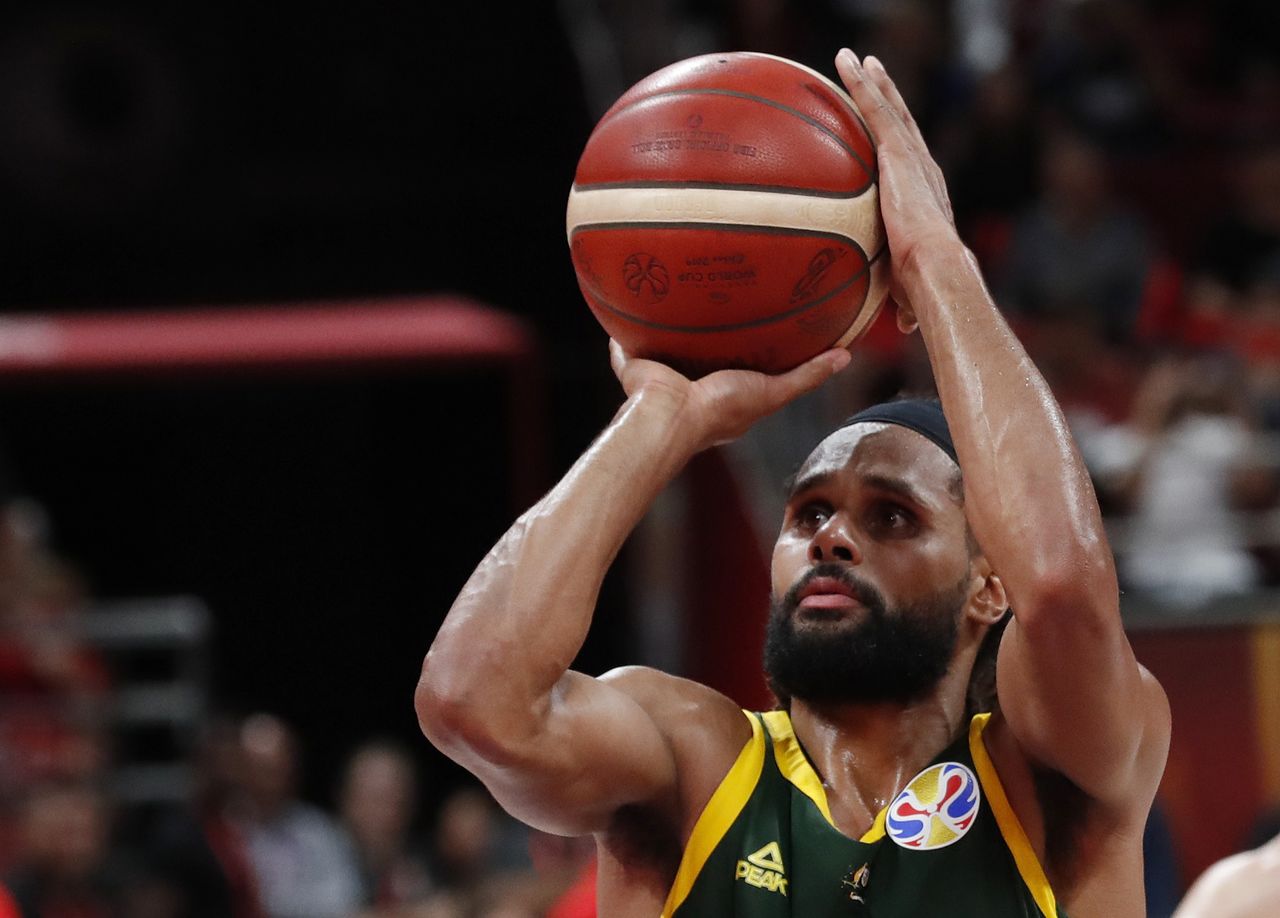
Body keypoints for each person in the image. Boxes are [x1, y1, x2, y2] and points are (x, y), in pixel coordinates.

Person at [415, 51, 1170, 917]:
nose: (830, 537)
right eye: (808, 512)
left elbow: (1066, 591)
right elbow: (471, 701)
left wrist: (934, 261)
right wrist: (662, 419)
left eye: (891, 517)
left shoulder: (1049, 779)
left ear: (988, 585)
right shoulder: (691, 769)